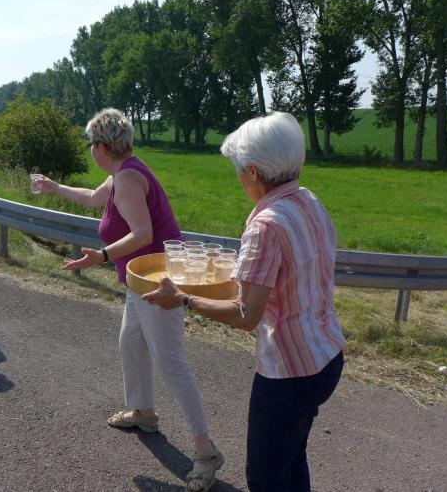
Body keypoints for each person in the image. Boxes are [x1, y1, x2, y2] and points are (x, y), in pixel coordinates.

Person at [143, 112, 346, 492]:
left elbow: (246, 315)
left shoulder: (265, 225)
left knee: (265, 477)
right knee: (292, 457)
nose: (237, 178)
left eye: (238, 170)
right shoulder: (308, 201)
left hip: (289, 371)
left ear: (253, 171)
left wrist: (183, 299)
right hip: (326, 356)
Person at [36, 108, 223, 492]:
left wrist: (101, 256)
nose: (90, 149)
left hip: (157, 282)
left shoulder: (128, 180)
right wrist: (55, 188)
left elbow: (142, 233)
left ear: (102, 147)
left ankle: (206, 452)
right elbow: (92, 198)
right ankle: (144, 412)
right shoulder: (121, 174)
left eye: (91, 143)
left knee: (171, 362)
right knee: (131, 343)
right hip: (140, 281)